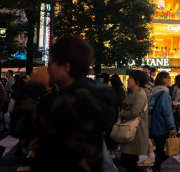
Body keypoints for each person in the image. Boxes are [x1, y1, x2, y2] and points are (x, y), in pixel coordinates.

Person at [32, 35, 116, 172]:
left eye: (52, 62)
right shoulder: (104, 94)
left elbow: (23, 129)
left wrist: (34, 87)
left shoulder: (56, 101)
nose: (48, 68)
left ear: (66, 66)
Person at [120, 70, 150, 172]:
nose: (128, 80)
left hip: (135, 132)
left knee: (130, 162)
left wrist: (121, 113)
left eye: (130, 78)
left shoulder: (140, 94)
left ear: (136, 81)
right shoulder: (133, 93)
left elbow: (134, 112)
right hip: (131, 131)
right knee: (128, 161)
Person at [149, 71, 176, 172]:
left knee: (159, 149)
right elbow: (167, 112)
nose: (170, 80)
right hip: (162, 126)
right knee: (164, 151)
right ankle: (155, 168)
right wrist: (171, 127)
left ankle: (156, 167)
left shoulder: (154, 92)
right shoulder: (165, 93)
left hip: (154, 124)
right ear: (163, 80)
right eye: (168, 78)